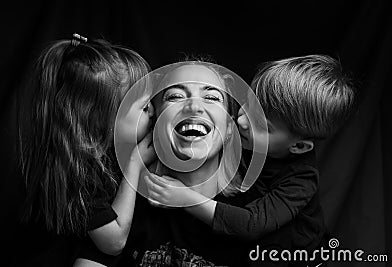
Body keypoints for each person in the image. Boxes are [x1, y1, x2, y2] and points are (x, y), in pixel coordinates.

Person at [146, 55, 357, 266]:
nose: (241, 121)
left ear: (299, 147)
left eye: (260, 124)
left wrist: (185, 198)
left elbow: (251, 224)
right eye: (248, 105)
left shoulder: (301, 180)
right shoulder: (247, 144)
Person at [74, 61, 249, 267]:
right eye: (175, 96)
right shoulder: (123, 207)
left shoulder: (257, 213)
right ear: (154, 124)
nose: (193, 106)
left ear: (230, 128)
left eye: (211, 97)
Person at [18, 33, 155, 259]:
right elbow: (114, 242)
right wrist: (135, 165)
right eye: (144, 108)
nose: (153, 113)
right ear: (105, 119)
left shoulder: (109, 148)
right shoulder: (77, 170)